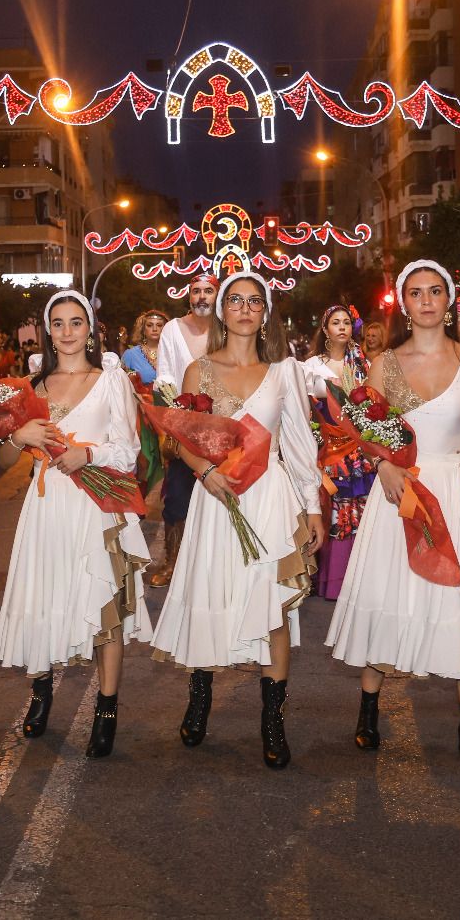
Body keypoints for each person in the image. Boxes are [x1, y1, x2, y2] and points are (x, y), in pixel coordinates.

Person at [326, 262, 460, 766]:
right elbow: (365, 430)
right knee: (389, 596)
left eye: (435, 291)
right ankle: (368, 710)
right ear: (403, 303)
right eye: (415, 292)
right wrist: (382, 464)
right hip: (398, 495)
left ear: (449, 300)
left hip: (456, 492)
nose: (426, 300)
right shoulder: (384, 363)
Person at [150, 271, 324, 769]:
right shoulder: (198, 371)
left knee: (272, 607)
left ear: (265, 312)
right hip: (216, 499)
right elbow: (182, 438)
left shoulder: (285, 371)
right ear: (222, 311)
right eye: (235, 301)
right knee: (212, 595)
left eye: (254, 301)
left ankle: (272, 722)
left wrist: (311, 508)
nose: (245, 308)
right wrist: (205, 472)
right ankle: (200, 699)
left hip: (269, 497)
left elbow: (298, 444)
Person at [0, 291, 151, 758]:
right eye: (57, 323)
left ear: (91, 328)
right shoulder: (30, 386)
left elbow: (128, 450)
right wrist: (16, 436)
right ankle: (41, 693)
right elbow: (0, 463)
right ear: (47, 330)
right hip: (46, 507)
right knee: (43, 597)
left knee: (105, 607)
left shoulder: (111, 380)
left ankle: (106, 710)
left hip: (97, 504)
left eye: (75, 322)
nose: (66, 331)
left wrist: (89, 454)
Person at [301, 305, 375, 601]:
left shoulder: (363, 365)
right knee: (336, 515)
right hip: (329, 450)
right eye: (336, 322)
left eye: (346, 322)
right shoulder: (310, 367)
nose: (342, 327)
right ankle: (334, 581)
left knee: (362, 513)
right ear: (325, 328)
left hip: (360, 451)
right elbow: (305, 412)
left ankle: (364, 582)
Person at [150, 273, 220, 588]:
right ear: (188, 296)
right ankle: (173, 562)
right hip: (183, 428)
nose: (202, 296)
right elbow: (164, 377)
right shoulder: (172, 330)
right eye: (196, 291)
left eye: (209, 290)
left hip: (223, 428)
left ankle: (214, 564)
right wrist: (174, 419)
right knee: (178, 497)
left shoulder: (228, 329)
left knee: (220, 496)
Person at [122, 309, 168, 387]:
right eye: (149, 325)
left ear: (165, 328)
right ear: (143, 329)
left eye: (159, 325)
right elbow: (121, 385)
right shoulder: (131, 354)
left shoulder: (171, 353)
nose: (154, 329)